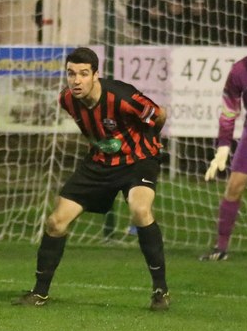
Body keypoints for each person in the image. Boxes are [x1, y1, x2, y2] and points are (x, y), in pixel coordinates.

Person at [14, 47, 170, 311]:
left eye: (83, 74)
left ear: (96, 75)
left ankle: (160, 292)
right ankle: (39, 294)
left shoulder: (121, 96)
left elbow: (160, 114)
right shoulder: (66, 100)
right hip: (99, 164)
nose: (76, 80)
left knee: (140, 211)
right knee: (55, 222)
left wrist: (151, 144)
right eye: (71, 74)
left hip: (138, 161)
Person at [199, 54, 247, 261]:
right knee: (234, 186)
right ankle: (220, 247)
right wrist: (223, 147)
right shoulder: (240, 70)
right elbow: (229, 111)